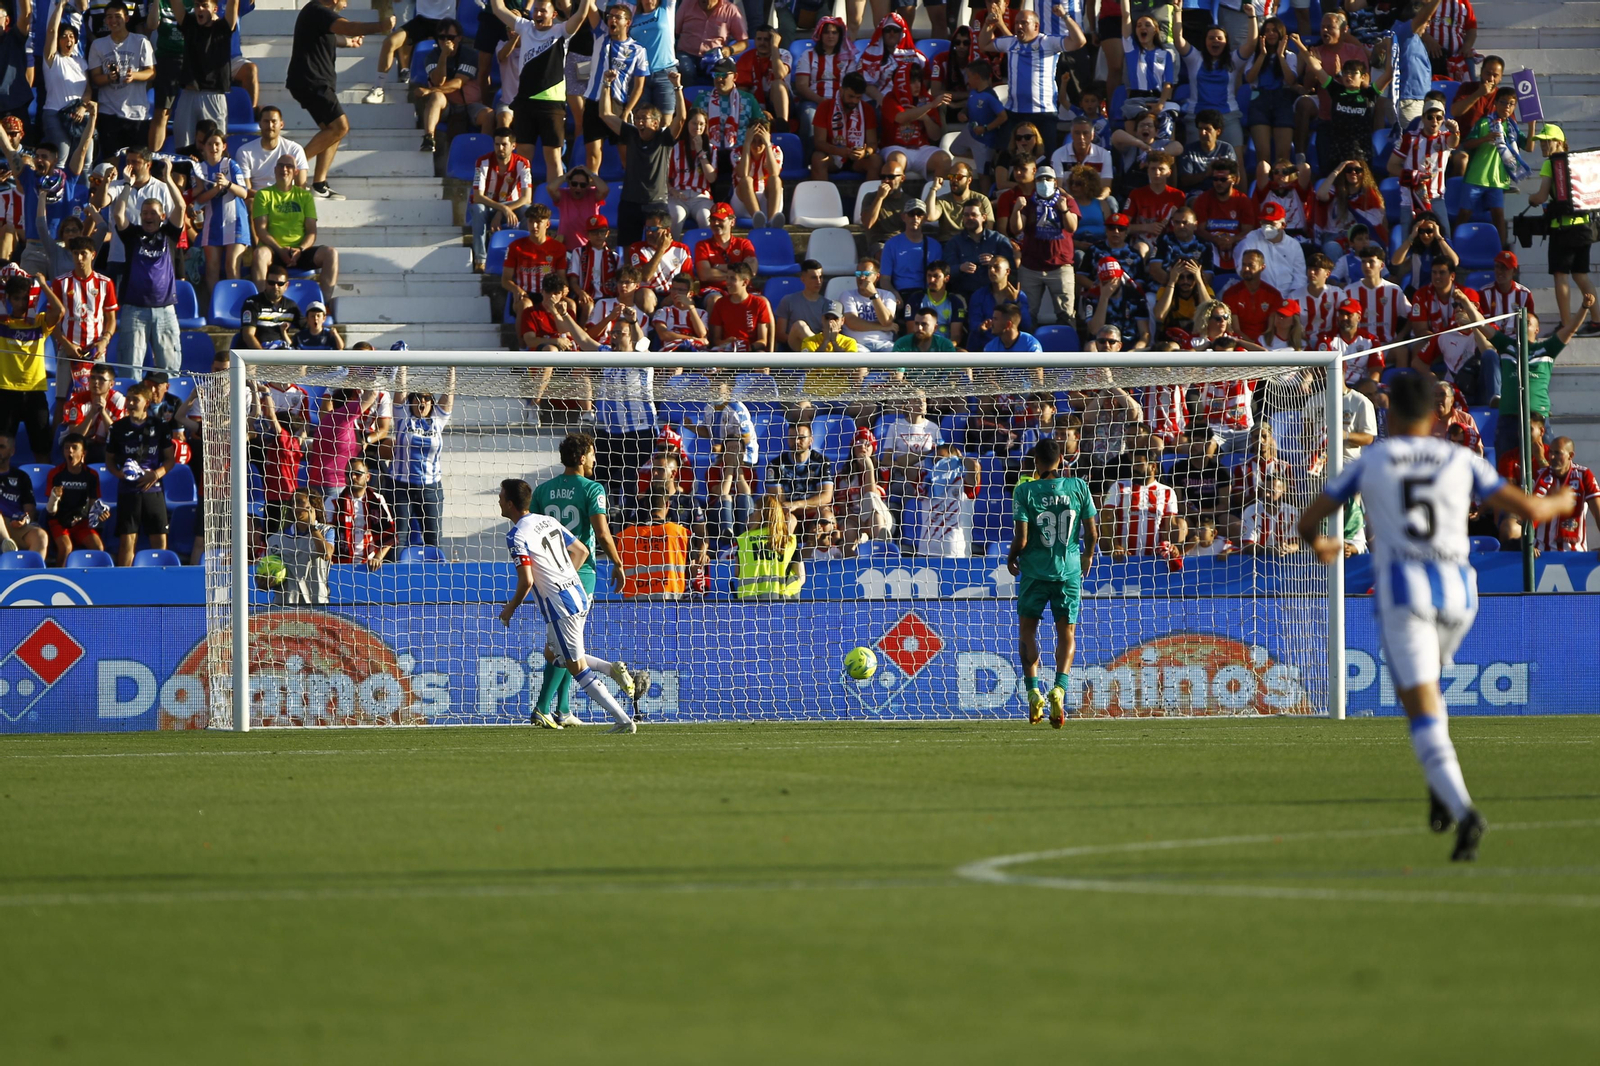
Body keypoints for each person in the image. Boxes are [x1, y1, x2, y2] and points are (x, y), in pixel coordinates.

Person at [1297, 370, 1577, 862]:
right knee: (1431, 694)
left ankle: (1465, 809)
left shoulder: (1374, 459)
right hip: (1461, 595)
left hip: (1407, 594)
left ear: (1389, 413)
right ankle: (1439, 784)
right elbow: (1529, 510)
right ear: (1433, 414)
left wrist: (1322, 543)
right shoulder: (1460, 457)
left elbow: (1309, 518)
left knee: (1420, 709)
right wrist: (1560, 500)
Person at [497, 476, 644, 733]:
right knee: (553, 654)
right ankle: (611, 670)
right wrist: (565, 576)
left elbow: (527, 581)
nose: (498, 499)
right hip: (577, 592)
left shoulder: (516, 535)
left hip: (561, 604)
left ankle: (623, 720)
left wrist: (510, 608)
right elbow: (582, 551)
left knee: (576, 666)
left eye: (500, 496)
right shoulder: (548, 521)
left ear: (509, 503)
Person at [529, 432, 630, 725]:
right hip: (581, 574)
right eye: (594, 454)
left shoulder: (543, 490)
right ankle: (543, 709)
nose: (596, 459)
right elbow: (601, 533)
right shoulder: (592, 488)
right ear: (583, 457)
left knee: (564, 645)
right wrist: (618, 563)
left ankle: (562, 710)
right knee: (565, 647)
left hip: (549, 574)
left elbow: (535, 532)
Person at [1008, 437, 1096, 727]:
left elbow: (1021, 538)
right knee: (1067, 632)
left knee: (1027, 631)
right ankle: (1059, 688)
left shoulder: (1024, 491)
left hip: (1034, 572)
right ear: (1061, 460)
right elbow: (1092, 534)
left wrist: (1011, 557)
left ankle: (1033, 692)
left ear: (1036, 461)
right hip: (1068, 571)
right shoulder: (1079, 487)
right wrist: (1087, 557)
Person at [286, 0, 396, 200]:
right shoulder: (319, 10)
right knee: (340, 126)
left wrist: (348, 42)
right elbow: (349, 27)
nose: (345, 4)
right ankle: (288, 167)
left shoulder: (315, 14)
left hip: (310, 81)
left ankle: (319, 184)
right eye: (344, 0)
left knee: (332, 130)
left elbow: (329, 37)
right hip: (311, 81)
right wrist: (381, 26)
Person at [489, 0, 594, 183]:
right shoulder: (525, 27)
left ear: (553, 15)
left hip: (551, 105)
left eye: (543, 11)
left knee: (553, 157)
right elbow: (498, 8)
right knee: (523, 157)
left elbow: (581, 15)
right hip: (525, 102)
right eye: (535, 10)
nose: (538, 14)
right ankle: (522, 201)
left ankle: (555, 202)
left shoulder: (561, 31)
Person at [1527, 122, 1600, 336]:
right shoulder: (1580, 164)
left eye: (1547, 141)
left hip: (1564, 230)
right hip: (1586, 228)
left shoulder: (1551, 164)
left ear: (1560, 143)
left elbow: (1541, 196)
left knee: (1561, 276)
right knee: (1581, 275)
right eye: (1541, 142)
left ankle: (1567, 325)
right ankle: (1597, 320)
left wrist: (1532, 199)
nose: (1543, 145)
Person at [979, 6, 1082, 157]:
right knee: (1006, 156)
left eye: (1024, 23)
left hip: (1044, 113)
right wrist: (988, 25)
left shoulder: (1048, 42)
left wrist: (1065, 16)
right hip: (1014, 112)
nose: (1019, 26)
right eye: (1017, 23)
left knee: (1046, 158)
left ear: (1036, 26)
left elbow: (1079, 41)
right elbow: (983, 44)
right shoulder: (1010, 42)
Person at [105, 382, 176, 566]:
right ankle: (124, 585)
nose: (129, 403)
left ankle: (161, 584)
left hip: (153, 489)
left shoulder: (160, 426)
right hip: (128, 491)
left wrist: (156, 474)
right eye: (128, 399)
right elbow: (109, 460)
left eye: (135, 400)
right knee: (127, 542)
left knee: (160, 541)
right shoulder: (117, 428)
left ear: (146, 402)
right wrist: (119, 474)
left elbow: (170, 459)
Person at [250, 155, 338, 301]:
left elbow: (311, 231)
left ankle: (323, 304)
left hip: (299, 250)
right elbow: (261, 230)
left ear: (296, 172)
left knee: (331, 253)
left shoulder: (305, 196)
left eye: (289, 166)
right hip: (274, 251)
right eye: (281, 166)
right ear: (275, 170)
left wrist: (300, 250)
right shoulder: (263, 195)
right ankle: (261, 304)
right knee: (260, 254)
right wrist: (280, 250)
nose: (284, 169)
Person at [1456, 86, 1531, 251]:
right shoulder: (1484, 122)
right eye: (1503, 102)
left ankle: (1501, 251)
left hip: (1497, 179)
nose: (1506, 107)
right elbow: (1467, 144)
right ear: (1495, 103)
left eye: (1511, 104)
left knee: (1498, 216)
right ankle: (1454, 247)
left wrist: (1532, 125)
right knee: (1464, 214)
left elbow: (1529, 146)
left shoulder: (1512, 128)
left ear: (1514, 107)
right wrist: (1485, 139)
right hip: (1477, 177)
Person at [0, 273, 65, 461]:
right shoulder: (2, 322)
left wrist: (43, 285)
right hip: (6, 391)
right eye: (16, 298)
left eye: (25, 298)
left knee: (42, 448)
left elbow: (59, 311)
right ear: (9, 299)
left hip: (35, 392)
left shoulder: (39, 322)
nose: (21, 302)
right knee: (2, 448)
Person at [392, 367, 456, 548]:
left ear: (432, 403)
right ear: (410, 402)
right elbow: (400, 389)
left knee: (433, 538)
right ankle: (396, 574)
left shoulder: (437, 421)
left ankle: (436, 574)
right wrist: (402, 366)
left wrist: (451, 369)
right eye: (418, 397)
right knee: (399, 537)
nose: (422, 401)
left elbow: (449, 394)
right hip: (401, 485)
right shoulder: (403, 418)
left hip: (430, 486)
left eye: (427, 398)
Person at [1011, 163, 1078, 325]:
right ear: (1035, 183)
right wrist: (1016, 211)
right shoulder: (1029, 203)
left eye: (1048, 179)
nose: (1044, 182)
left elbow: (1072, 227)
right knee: (1026, 315)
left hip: (1060, 266)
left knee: (1066, 316)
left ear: (1055, 182)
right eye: (1040, 180)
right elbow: (1016, 229)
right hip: (1031, 267)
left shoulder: (1067, 201)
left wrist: (1064, 210)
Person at [87, 1, 155, 159]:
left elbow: (152, 73)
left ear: (127, 18)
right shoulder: (98, 44)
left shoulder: (141, 41)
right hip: (108, 112)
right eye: (109, 17)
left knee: (138, 162)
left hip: (137, 113)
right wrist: (108, 78)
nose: (113, 21)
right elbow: (96, 78)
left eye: (117, 16)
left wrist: (134, 76)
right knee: (111, 164)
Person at [169, 0, 239, 149]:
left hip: (214, 95)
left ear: (215, 8)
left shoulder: (223, 27)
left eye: (204, 5)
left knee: (215, 148)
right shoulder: (189, 24)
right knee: (183, 146)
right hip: (189, 94)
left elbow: (234, 2)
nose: (199, 9)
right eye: (196, 5)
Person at [468, 129, 533, 273]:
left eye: (504, 144)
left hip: (512, 206)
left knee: (529, 210)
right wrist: (502, 209)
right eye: (497, 144)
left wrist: (504, 210)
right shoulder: (482, 162)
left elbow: (526, 197)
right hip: (488, 205)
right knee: (478, 209)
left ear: (513, 146)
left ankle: (523, 256)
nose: (500, 148)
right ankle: (480, 260)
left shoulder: (523, 163)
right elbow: (478, 196)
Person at [369, 0, 456, 104]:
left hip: (446, 21)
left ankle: (449, 96)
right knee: (390, 42)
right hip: (422, 20)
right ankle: (378, 88)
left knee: (450, 51)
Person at [40, 0, 91, 166]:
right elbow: (51, 31)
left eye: (71, 36)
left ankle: (83, 192)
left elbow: (88, 90)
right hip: (55, 113)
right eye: (63, 36)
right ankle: (57, 191)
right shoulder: (52, 60)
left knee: (86, 159)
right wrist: (60, 6)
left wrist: (83, 108)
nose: (68, 39)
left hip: (79, 116)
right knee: (62, 157)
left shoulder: (81, 62)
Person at [260, 490, 332, 605]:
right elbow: (265, 578)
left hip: (316, 604)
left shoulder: (326, 531)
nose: (295, 506)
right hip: (283, 607)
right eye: (293, 503)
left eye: (299, 502)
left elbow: (326, 554)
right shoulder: (274, 539)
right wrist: (265, 582)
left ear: (313, 506)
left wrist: (312, 527)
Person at [1531, 437, 1600, 555]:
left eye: (1557, 453)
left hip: (1574, 554)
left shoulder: (1584, 475)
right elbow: (1529, 513)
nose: (1552, 457)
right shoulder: (1540, 476)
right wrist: (1528, 545)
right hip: (1541, 553)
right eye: (1551, 452)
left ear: (1571, 455)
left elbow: (1598, 512)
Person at [616, 494, 692, 600]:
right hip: (670, 597)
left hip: (635, 600)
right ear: (667, 504)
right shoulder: (678, 532)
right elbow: (692, 566)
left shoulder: (626, 536)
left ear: (646, 505)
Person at [767, 419, 834, 538]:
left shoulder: (821, 462)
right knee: (787, 519)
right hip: (789, 512)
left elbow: (826, 496)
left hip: (812, 511)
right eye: (792, 438)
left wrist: (798, 504)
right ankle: (785, 552)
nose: (796, 441)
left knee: (826, 516)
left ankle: (827, 552)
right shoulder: (776, 464)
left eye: (801, 437)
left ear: (811, 440)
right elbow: (780, 501)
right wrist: (793, 507)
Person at [44, 432, 105, 561]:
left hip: (81, 522)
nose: (70, 451)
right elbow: (50, 510)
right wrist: (55, 496)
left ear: (83, 453)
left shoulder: (92, 475)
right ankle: (59, 576)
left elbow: (94, 504)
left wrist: (100, 513)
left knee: (98, 547)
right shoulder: (55, 474)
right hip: (59, 521)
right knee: (66, 548)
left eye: (74, 447)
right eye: (66, 448)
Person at [810, 69, 880, 181]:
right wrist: (839, 151)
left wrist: (865, 153)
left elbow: (872, 143)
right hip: (833, 156)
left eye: (858, 97)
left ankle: (871, 197)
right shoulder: (825, 106)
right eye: (851, 96)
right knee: (818, 158)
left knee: (875, 160)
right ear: (841, 90)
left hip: (858, 160)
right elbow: (819, 143)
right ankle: (822, 197)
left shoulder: (867, 109)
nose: (854, 101)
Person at [736, 491, 802, 599]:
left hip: (750, 601)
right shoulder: (789, 540)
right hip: (783, 601)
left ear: (759, 512)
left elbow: (737, 571)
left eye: (755, 510)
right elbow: (800, 575)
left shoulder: (745, 539)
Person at [1236, 200, 1306, 299]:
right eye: (1264, 222)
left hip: (1288, 298)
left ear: (1283, 225)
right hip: (1259, 296)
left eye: (1272, 223)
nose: (1267, 227)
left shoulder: (1294, 246)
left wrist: (1290, 301)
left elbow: (1300, 278)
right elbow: (1241, 268)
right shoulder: (1251, 239)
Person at [945, 200, 1015, 300]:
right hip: (965, 296)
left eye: (974, 215)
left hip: (994, 296)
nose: (969, 218)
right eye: (966, 215)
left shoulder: (999, 240)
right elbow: (946, 271)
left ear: (984, 217)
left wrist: (995, 261)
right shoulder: (954, 243)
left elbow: (1011, 268)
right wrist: (960, 268)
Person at [236, 106, 310, 191]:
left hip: (287, 200)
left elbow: (301, 186)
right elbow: (246, 189)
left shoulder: (295, 149)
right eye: (266, 121)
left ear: (281, 124)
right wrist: (269, 198)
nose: (270, 126)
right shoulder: (244, 152)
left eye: (274, 121)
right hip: (258, 200)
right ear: (260, 124)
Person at [731, 118, 785, 229]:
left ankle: (772, 221)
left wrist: (767, 145)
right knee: (746, 180)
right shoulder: (736, 152)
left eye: (760, 141)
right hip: (743, 202)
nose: (757, 146)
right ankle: (757, 220)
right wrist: (746, 145)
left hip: (767, 201)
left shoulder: (775, 150)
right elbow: (742, 173)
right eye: (753, 141)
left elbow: (774, 172)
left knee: (775, 179)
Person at [839, 256, 896, 352]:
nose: (861, 277)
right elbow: (853, 323)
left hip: (884, 343)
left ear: (877, 277)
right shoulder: (847, 295)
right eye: (858, 273)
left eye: (866, 274)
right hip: (857, 343)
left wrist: (874, 295)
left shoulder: (887, 295)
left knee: (896, 358)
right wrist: (882, 327)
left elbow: (886, 321)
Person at [237, 266, 301, 349]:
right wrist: (263, 358)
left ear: (286, 285)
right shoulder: (252, 303)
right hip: (258, 354)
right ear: (266, 282)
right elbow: (248, 335)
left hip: (282, 352)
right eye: (271, 283)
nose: (275, 287)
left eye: (280, 284)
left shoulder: (291, 306)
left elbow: (309, 327)